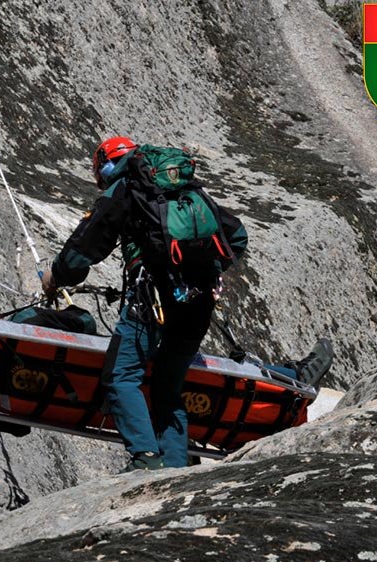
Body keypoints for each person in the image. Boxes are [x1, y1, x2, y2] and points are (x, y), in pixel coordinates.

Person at [42, 136, 250, 472]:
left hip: (151, 303)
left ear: (105, 166)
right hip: (200, 303)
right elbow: (237, 237)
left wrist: (56, 276)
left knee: (121, 376)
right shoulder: (188, 191)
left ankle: (146, 460)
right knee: (169, 385)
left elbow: (83, 250)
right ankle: (175, 468)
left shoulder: (125, 191)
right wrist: (196, 272)